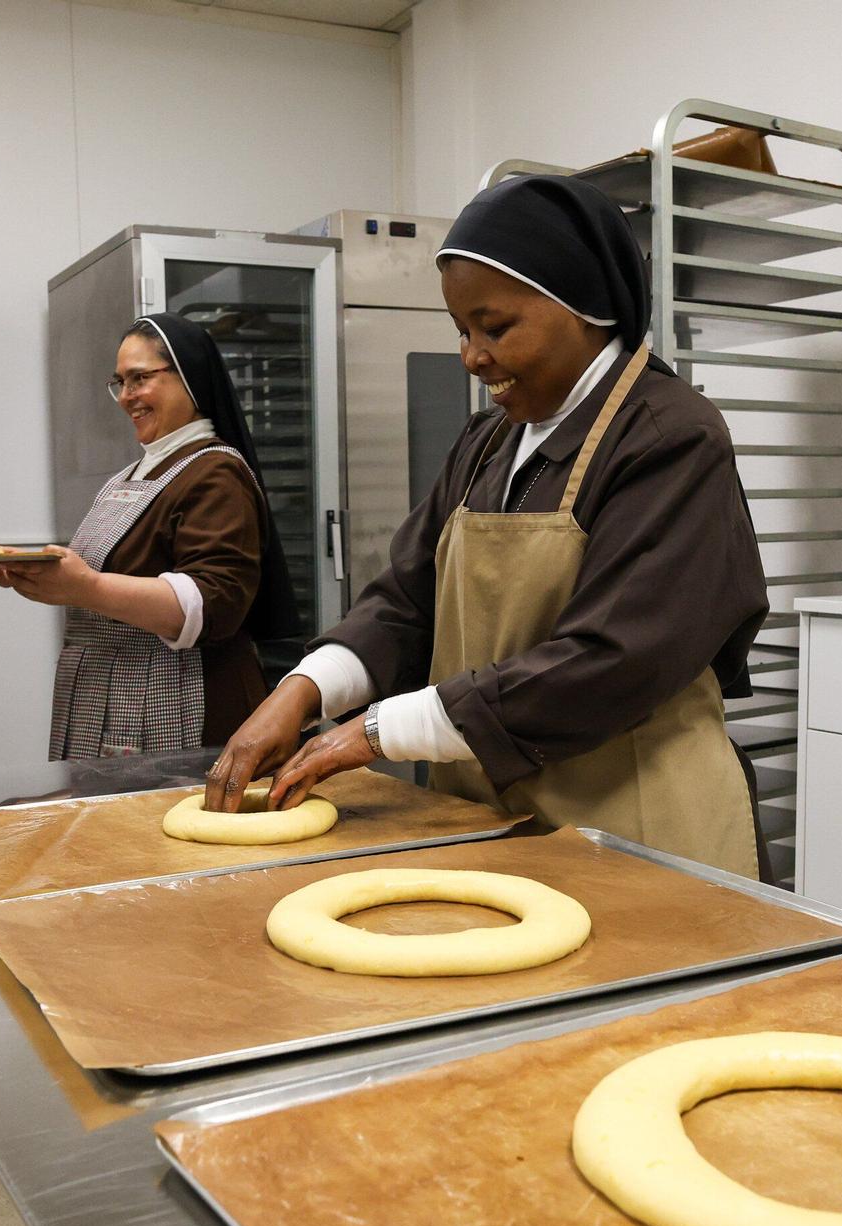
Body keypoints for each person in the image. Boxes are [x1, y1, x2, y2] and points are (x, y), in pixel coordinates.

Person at [204, 174, 770, 878]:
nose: (471, 356)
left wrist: (381, 730)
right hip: (495, 818)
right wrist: (303, 689)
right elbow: (406, 600)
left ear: (585, 306)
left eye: (494, 327)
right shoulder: (488, 442)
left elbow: (610, 657)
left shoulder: (669, 437)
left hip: (634, 831)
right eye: (462, 331)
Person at [0, 313, 300, 759]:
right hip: (114, 693)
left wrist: (87, 587)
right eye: (120, 383)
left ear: (187, 378)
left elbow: (216, 603)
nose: (126, 397)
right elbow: (102, 580)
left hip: (174, 696)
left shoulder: (216, 471)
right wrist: (38, 578)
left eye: (140, 379)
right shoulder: (128, 476)